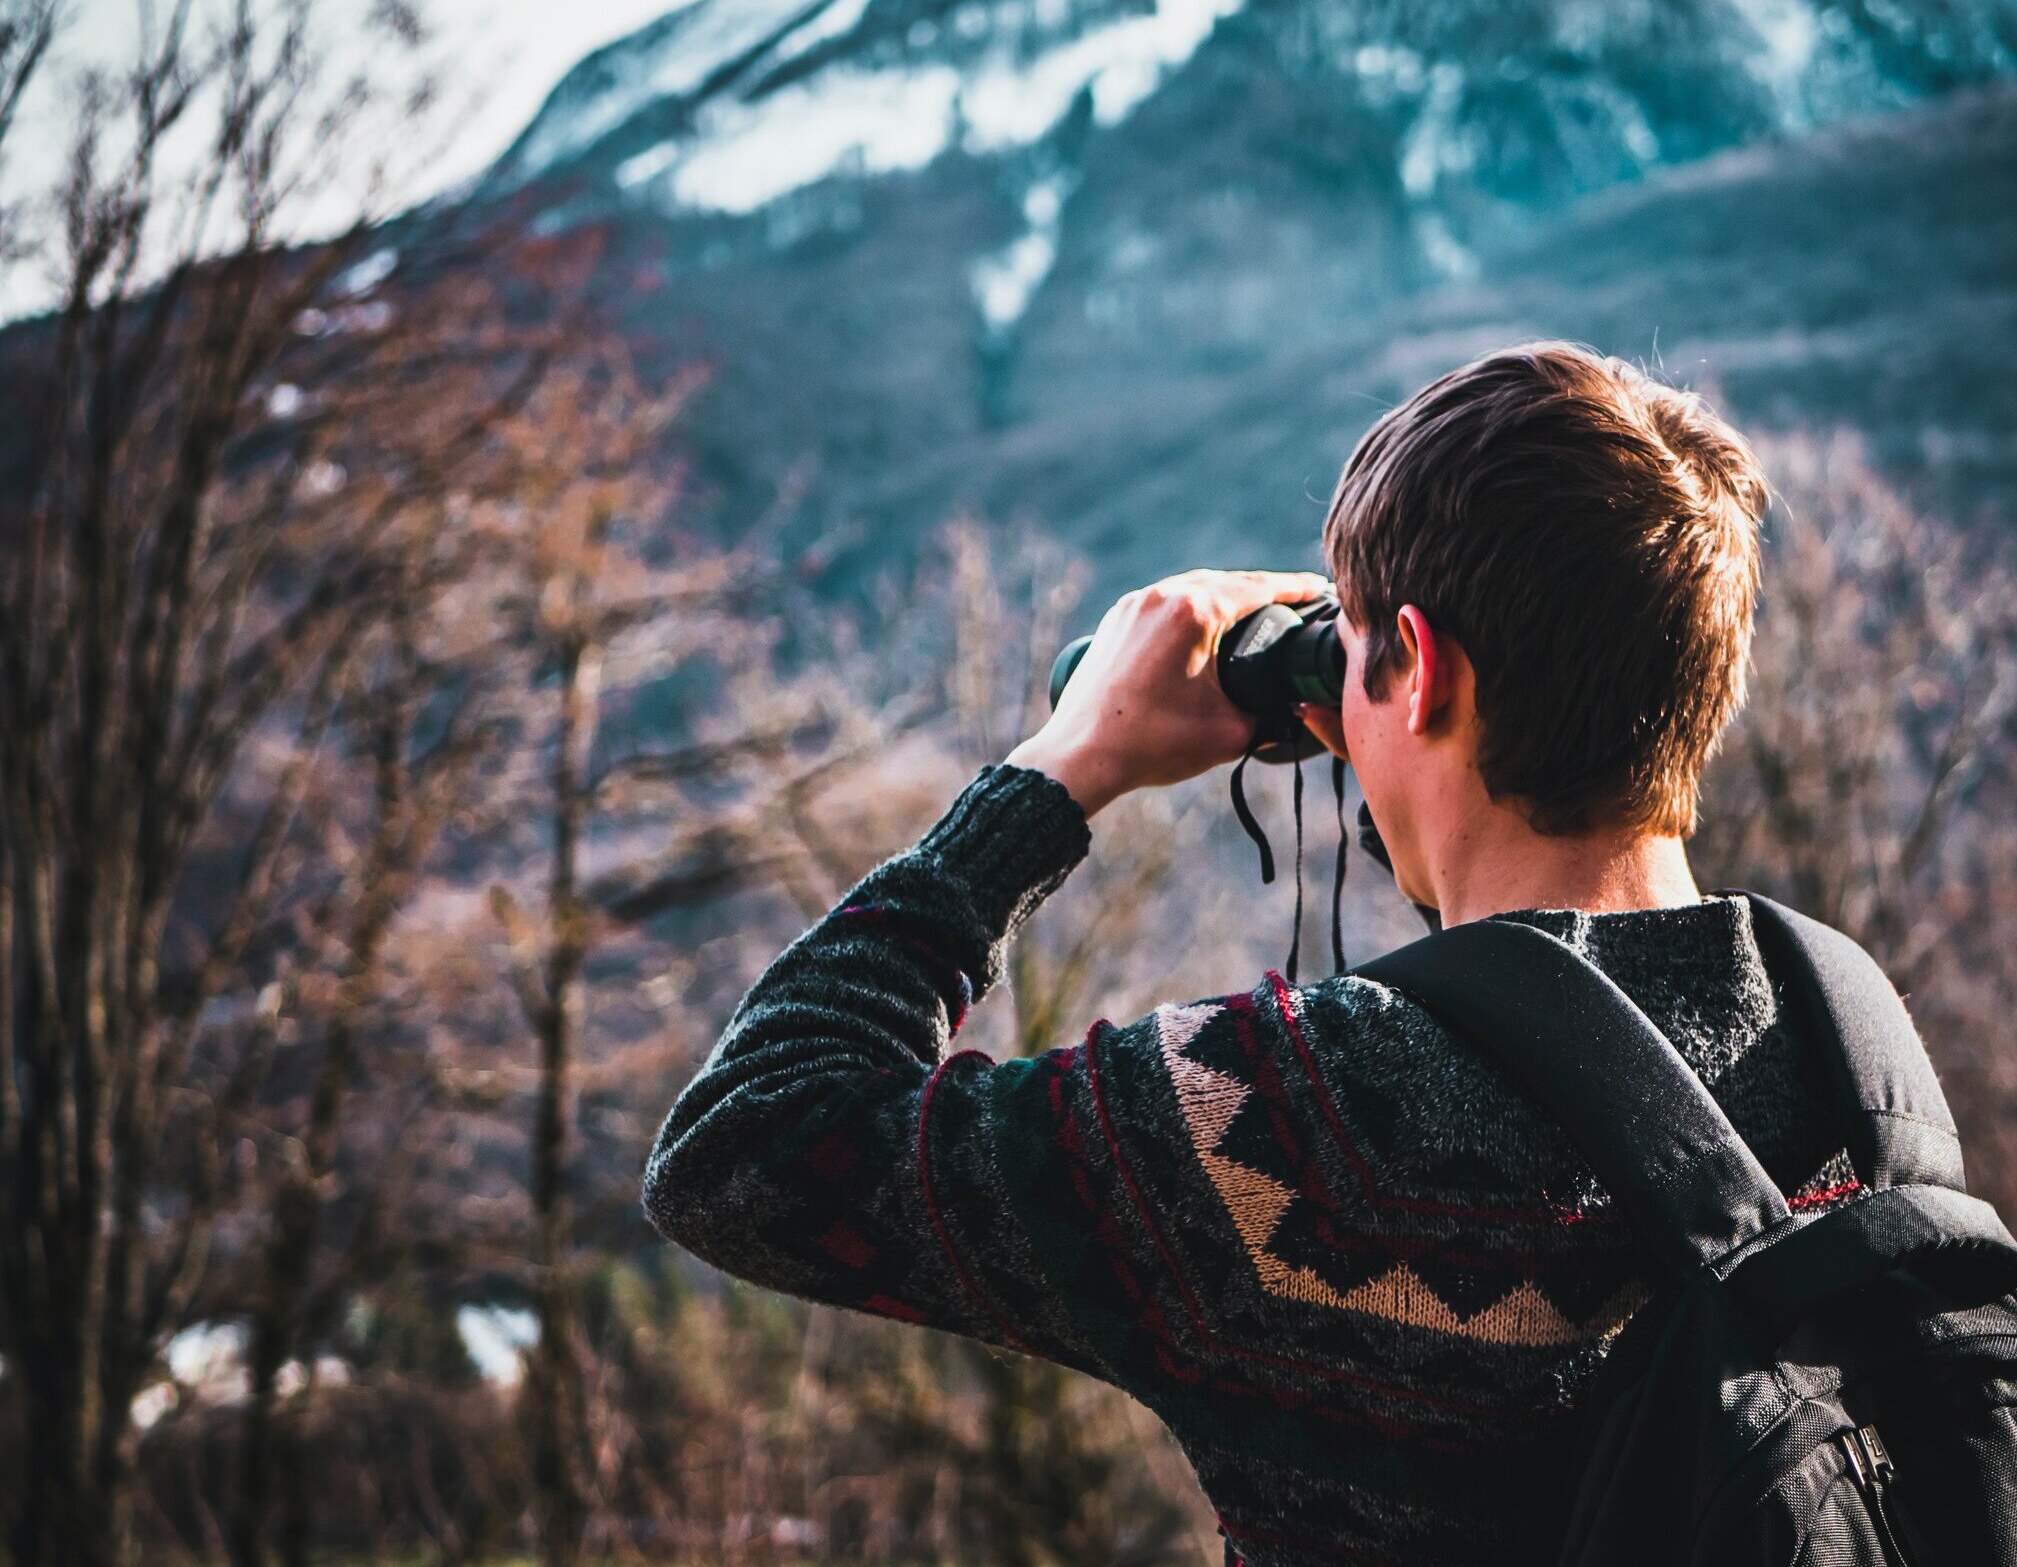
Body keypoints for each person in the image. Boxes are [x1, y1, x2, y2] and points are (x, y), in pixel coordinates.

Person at [643, 341, 1852, 1565]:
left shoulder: (1297, 1143)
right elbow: (1556, 1024)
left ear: (1419, 667)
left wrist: (1062, 767)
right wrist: (1412, 767)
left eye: (1357, 640)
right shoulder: (1844, 1055)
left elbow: (745, 1144)